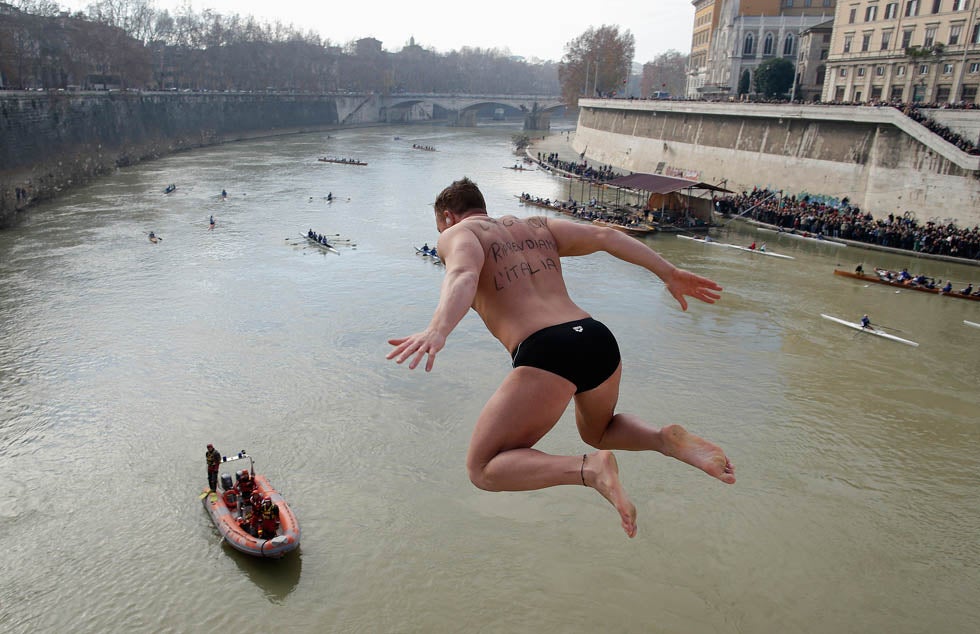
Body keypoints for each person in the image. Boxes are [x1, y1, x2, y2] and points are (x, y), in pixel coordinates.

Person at [387, 177, 735, 539]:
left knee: (483, 468)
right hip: (596, 337)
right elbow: (606, 237)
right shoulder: (537, 226)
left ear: (447, 216)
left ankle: (590, 471)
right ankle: (664, 439)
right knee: (600, 431)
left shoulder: (458, 234)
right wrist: (669, 272)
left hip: (547, 350)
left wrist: (437, 329)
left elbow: (462, 273)